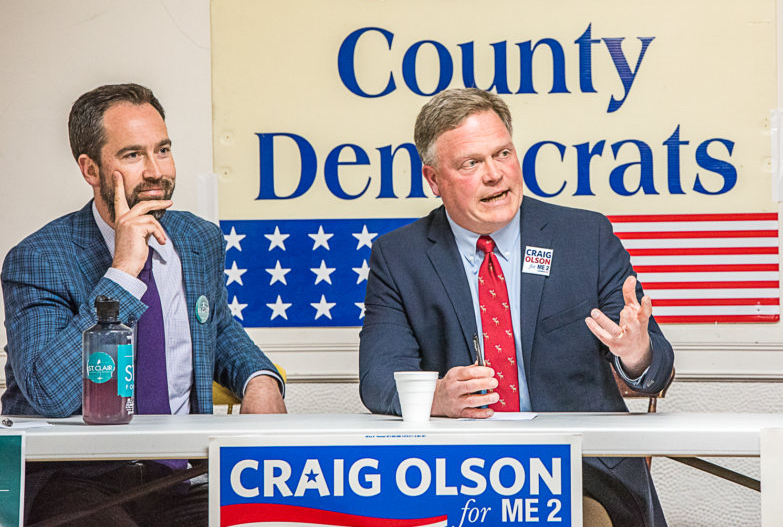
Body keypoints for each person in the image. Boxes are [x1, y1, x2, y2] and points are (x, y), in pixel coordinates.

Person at [359, 88, 673, 527]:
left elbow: (657, 371)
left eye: (503, 153)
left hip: (580, 471)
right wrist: (437, 397)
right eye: (471, 163)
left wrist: (636, 353)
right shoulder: (399, 258)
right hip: (457, 473)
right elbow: (378, 380)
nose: (495, 174)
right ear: (433, 180)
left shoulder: (585, 237)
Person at [2, 83, 286, 524]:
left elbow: (216, 329)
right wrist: (122, 272)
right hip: (75, 478)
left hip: (181, 477)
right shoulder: (39, 258)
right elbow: (49, 393)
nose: (156, 171)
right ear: (90, 169)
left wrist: (259, 379)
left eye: (163, 150)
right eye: (133, 155)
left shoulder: (198, 239)